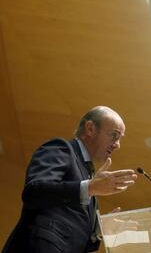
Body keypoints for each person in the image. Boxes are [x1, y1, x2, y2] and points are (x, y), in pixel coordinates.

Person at [2, 106, 138, 253]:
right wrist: (90, 187)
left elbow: (82, 243)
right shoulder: (62, 148)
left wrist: (99, 230)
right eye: (114, 135)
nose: (117, 144)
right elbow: (34, 192)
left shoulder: (89, 176)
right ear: (90, 128)